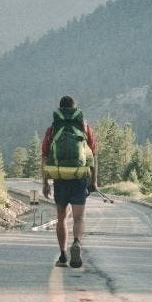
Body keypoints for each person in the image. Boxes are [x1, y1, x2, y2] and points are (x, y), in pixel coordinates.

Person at [38, 95, 97, 268]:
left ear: (60, 109)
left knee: (61, 218)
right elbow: (93, 155)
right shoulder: (85, 127)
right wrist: (94, 180)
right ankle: (77, 242)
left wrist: (45, 182)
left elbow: (44, 156)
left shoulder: (53, 129)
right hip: (79, 178)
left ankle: (63, 256)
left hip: (60, 178)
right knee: (78, 218)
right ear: (74, 108)